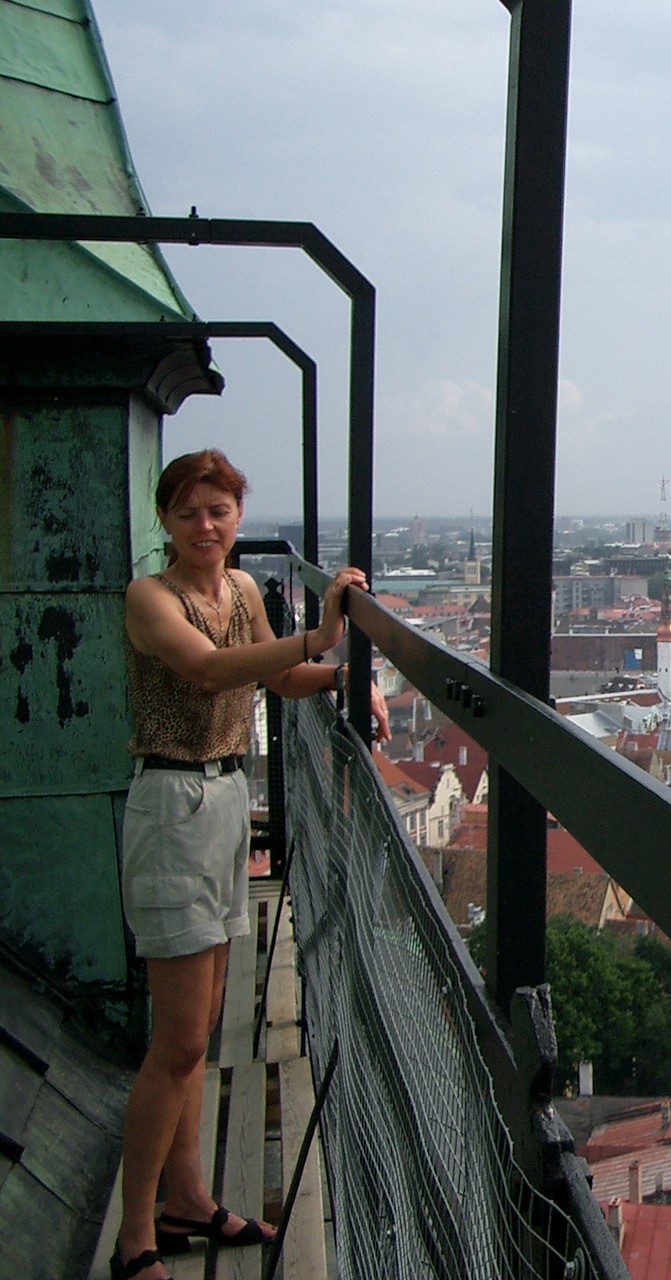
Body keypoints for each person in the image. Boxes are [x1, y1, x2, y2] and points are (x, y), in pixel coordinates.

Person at [111, 449, 373, 1280]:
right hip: (172, 806)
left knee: (202, 1032)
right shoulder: (150, 599)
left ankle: (184, 1196)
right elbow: (210, 668)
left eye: (218, 511)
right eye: (189, 513)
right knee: (180, 1040)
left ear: (235, 516)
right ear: (166, 520)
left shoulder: (242, 591)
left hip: (225, 799)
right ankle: (131, 1239)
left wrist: (338, 674)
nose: (206, 527)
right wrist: (320, 633)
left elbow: (281, 676)